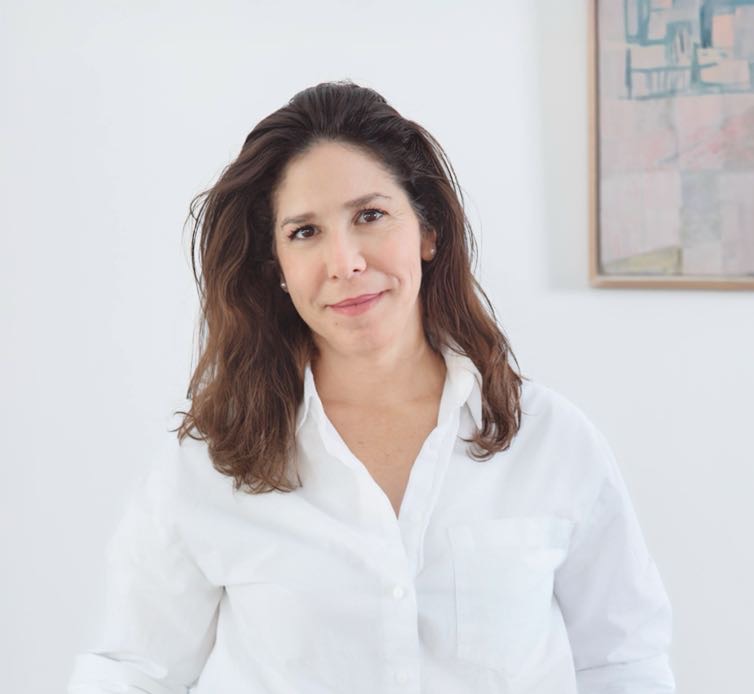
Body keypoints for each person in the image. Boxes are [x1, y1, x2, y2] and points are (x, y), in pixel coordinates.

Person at [67, 80, 676, 694]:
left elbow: (623, 664)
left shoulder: (548, 439)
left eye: (370, 216)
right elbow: (130, 669)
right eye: (305, 232)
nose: (346, 262)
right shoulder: (214, 459)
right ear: (277, 268)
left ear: (428, 232)